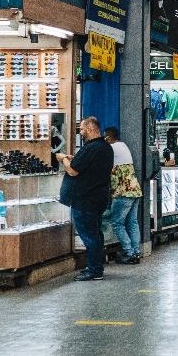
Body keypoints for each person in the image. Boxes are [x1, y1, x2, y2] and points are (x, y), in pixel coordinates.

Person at [57, 117, 114, 281]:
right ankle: (96, 267)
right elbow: (87, 166)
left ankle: (94, 270)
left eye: (81, 129)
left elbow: (73, 171)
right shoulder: (104, 148)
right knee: (95, 234)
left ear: (90, 129)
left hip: (85, 200)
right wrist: (73, 159)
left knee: (89, 236)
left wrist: (64, 159)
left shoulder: (92, 148)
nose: (80, 133)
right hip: (97, 198)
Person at [103, 127, 142, 264]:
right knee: (132, 222)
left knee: (117, 223)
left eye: (105, 138)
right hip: (135, 189)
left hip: (122, 192)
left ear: (108, 137)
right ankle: (136, 252)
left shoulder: (112, 148)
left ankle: (129, 252)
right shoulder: (123, 146)